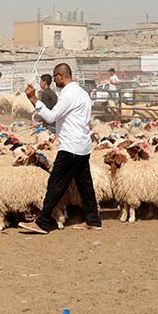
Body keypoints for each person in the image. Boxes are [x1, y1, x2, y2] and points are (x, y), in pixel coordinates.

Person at [18, 63, 102, 233]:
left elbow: (51, 116)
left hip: (70, 147)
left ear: (60, 76)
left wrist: (33, 98)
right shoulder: (82, 93)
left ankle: (42, 222)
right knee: (84, 185)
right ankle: (93, 220)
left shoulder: (69, 94)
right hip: (82, 146)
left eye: (54, 76)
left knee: (55, 183)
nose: (54, 80)